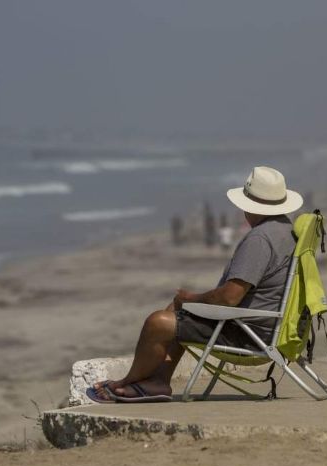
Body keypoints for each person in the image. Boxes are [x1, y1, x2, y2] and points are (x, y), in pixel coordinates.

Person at [88, 166, 303, 403]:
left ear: (249, 206)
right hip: (270, 327)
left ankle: (125, 382)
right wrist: (187, 303)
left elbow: (229, 298)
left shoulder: (260, 239)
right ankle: (157, 382)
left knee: (157, 322)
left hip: (249, 334)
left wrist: (190, 299)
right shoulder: (286, 230)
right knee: (177, 310)